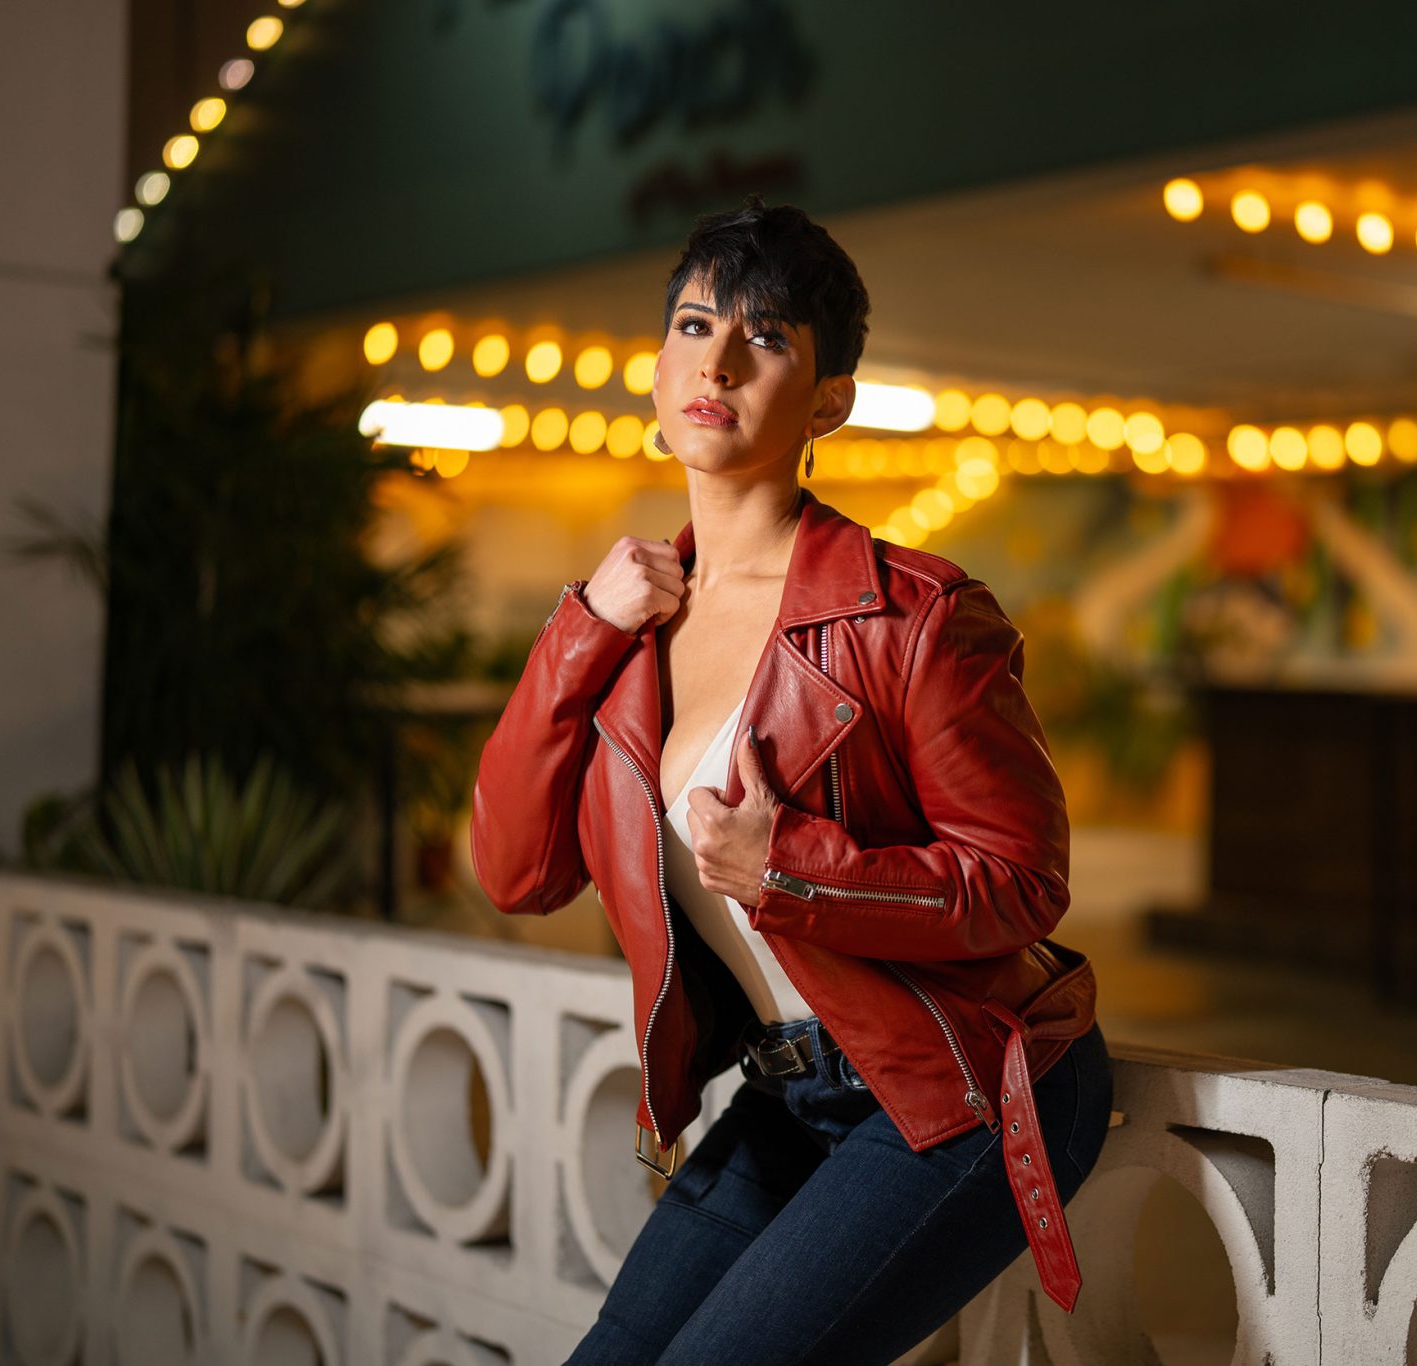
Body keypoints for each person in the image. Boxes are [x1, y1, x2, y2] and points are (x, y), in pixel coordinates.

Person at [469, 195, 1114, 1365]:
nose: (715, 360)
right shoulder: (626, 630)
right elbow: (517, 872)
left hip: (963, 1081)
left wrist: (791, 873)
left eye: (763, 337)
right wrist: (578, 632)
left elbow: (1023, 881)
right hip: (789, 1092)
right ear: (656, 366)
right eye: (693, 324)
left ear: (828, 401)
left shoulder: (914, 615)